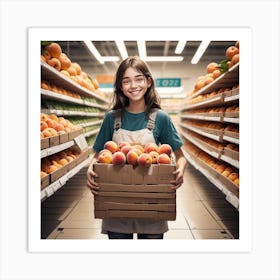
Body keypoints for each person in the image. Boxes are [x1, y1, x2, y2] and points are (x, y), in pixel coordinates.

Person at [87, 56, 187, 239]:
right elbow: (98, 154)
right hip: (118, 203)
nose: (133, 85)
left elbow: (180, 156)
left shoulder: (160, 118)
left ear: (148, 82)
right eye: (126, 81)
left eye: (139, 79)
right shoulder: (112, 118)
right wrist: (90, 168)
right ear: (120, 87)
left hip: (151, 202)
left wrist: (180, 170)